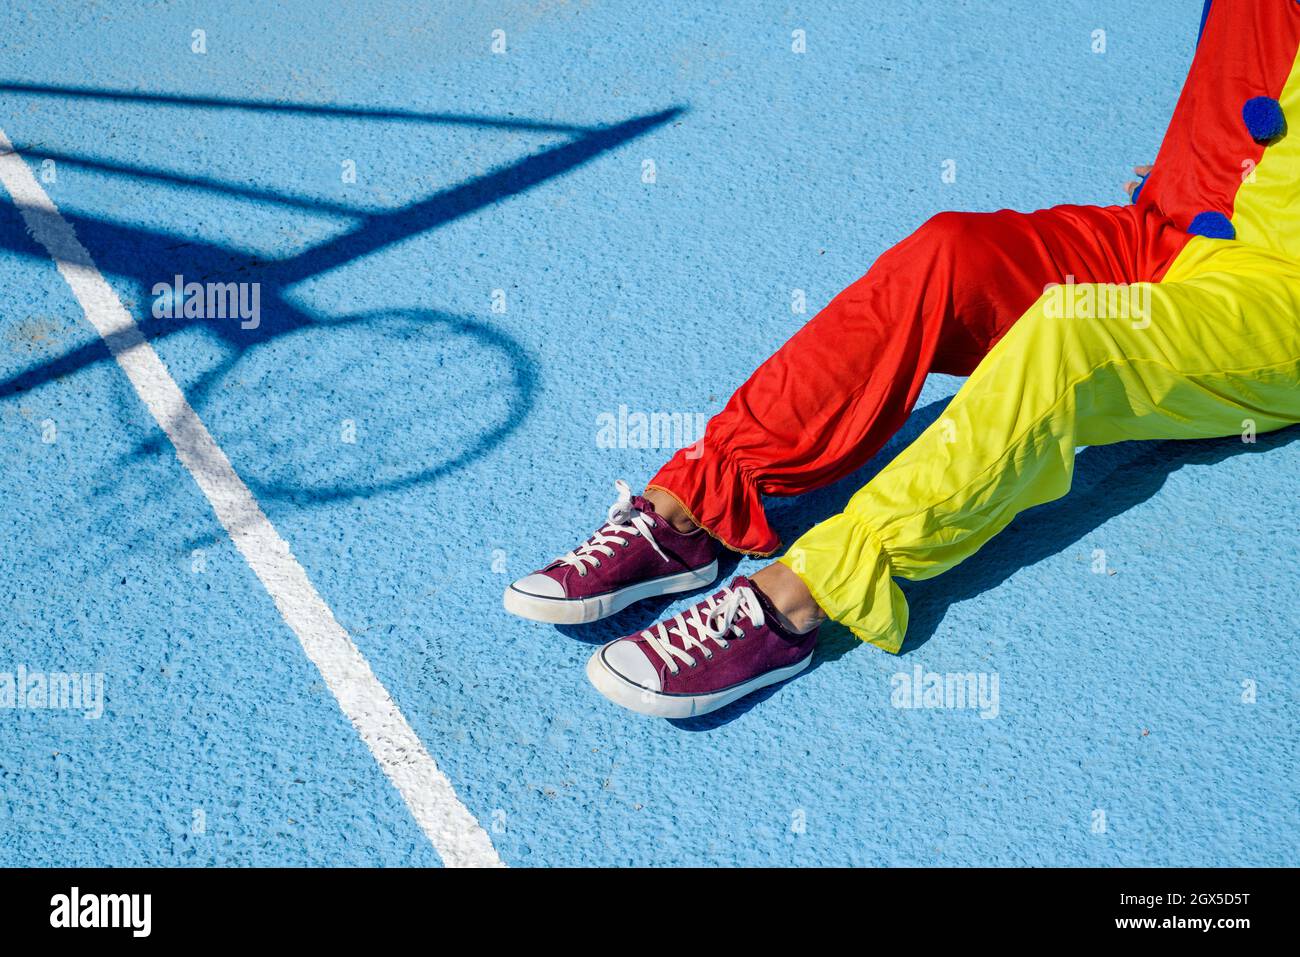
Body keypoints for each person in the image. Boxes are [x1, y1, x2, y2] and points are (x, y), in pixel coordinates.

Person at [505, 0, 1300, 718]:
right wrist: (1208, 169)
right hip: (1174, 220)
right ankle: (696, 506)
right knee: (948, 253)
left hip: (1276, 293)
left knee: (1073, 334)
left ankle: (803, 594)